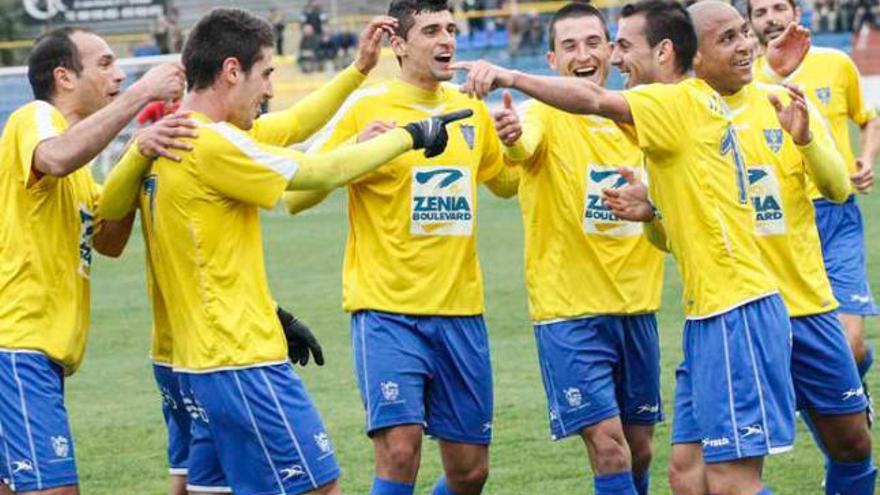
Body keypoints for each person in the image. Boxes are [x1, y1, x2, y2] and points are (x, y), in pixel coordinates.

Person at [96, 8, 466, 495]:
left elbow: (291, 126)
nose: (270, 89)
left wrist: (357, 71)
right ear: (232, 70)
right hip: (240, 361)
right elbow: (320, 173)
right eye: (266, 74)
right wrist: (410, 136)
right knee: (320, 487)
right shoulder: (210, 143)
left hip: (189, 362)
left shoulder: (164, 141)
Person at [451, 1, 811, 493]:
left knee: (731, 483)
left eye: (623, 45)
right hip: (704, 315)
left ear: (663, 51)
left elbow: (595, 100)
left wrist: (511, 76)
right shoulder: (696, 106)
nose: (615, 58)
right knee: (686, 475)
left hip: (737, 310)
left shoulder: (673, 103)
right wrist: (654, 210)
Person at [607, 4, 877, 493]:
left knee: (852, 447)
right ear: (696, 54)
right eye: (727, 39)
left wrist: (808, 139)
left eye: (743, 35)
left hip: (802, 307)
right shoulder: (669, 124)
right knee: (688, 477)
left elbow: (838, 189)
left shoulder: (779, 101)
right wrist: (651, 214)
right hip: (726, 319)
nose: (745, 46)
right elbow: (671, 240)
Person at [284, 1, 520, 494]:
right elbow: (295, 197)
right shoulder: (368, 108)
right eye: (431, 30)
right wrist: (358, 154)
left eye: (451, 29)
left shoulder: (471, 111)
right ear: (398, 44)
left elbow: (504, 183)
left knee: (470, 472)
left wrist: (513, 140)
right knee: (399, 451)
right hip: (388, 311)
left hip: (461, 311)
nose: (447, 40)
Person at [0, 27, 184, 495]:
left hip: (37, 352)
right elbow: (55, 156)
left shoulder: (82, 167)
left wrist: (140, 152)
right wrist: (143, 94)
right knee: (56, 489)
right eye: (104, 64)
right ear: (63, 76)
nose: (119, 74)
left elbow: (109, 240)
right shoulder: (35, 118)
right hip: (17, 345)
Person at [490, 4, 665, 495]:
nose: (583, 55)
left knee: (641, 448)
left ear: (610, 49)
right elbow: (522, 145)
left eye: (593, 42)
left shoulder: (638, 115)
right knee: (609, 447)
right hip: (569, 313)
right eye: (569, 46)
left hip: (636, 306)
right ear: (551, 59)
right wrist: (512, 138)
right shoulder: (539, 112)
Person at [749, 0, 880, 399]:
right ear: (749, 22)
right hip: (778, 224)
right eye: (759, 12)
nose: (770, 18)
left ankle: (851, 402)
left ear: (797, 15)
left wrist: (865, 158)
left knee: (851, 343)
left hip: (835, 214)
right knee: (793, 348)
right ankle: (839, 416)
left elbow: (868, 117)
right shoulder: (748, 80)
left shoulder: (836, 63)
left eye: (777, 8)